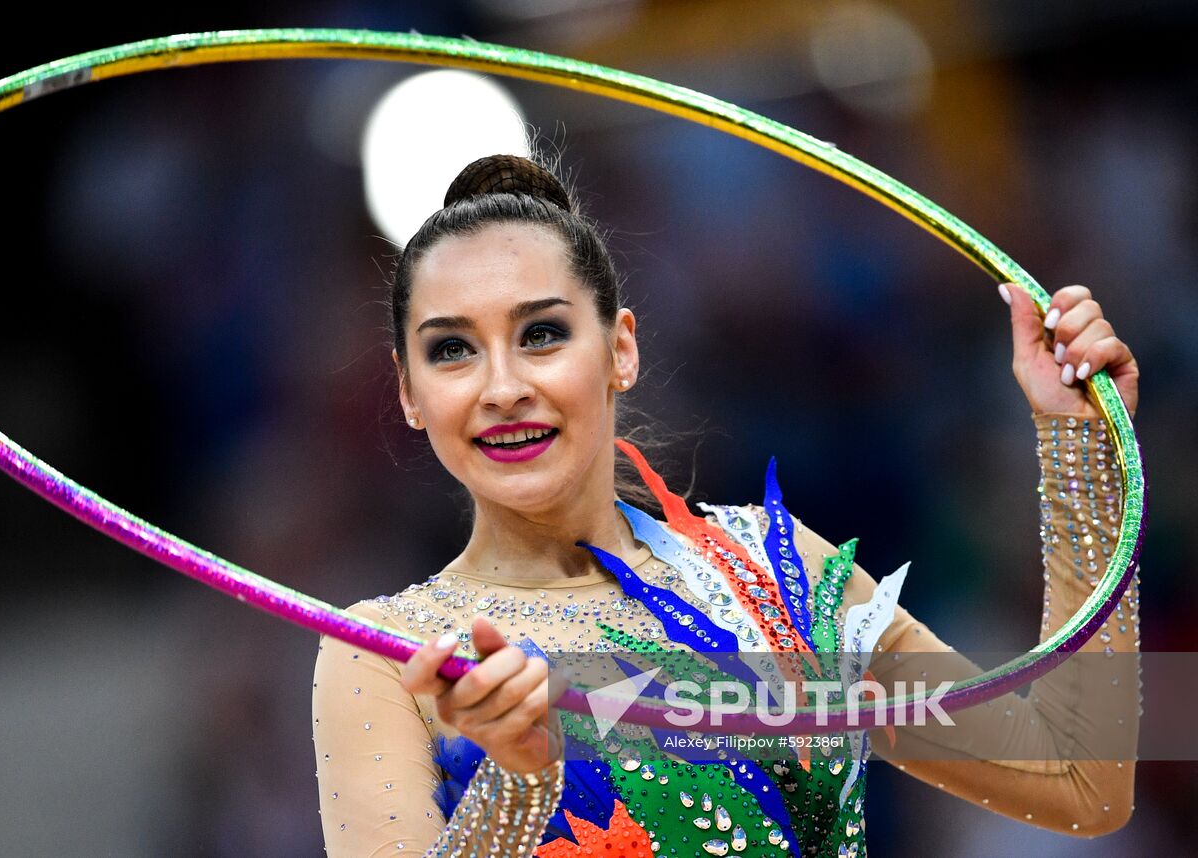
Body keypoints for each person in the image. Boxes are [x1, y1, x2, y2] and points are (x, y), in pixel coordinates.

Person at [312, 153, 1141, 857]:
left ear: (620, 350)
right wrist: (518, 785)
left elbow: (1077, 779)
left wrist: (1082, 451)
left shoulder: (779, 577)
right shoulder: (387, 657)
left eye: (542, 334)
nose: (503, 388)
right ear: (410, 392)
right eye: (452, 350)